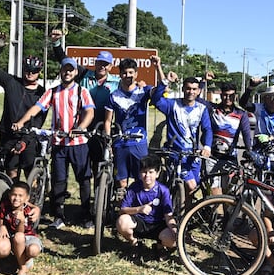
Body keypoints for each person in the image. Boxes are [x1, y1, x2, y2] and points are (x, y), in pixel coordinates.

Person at [13, 57, 94, 229]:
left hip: (78, 143)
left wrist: (80, 127)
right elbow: (37, 107)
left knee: (83, 179)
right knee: (59, 180)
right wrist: (22, 121)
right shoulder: (53, 91)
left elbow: (90, 113)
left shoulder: (82, 91)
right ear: (60, 71)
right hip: (59, 142)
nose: (67, 72)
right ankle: (59, 216)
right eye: (65, 69)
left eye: (71, 70)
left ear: (76, 72)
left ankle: (87, 214)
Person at [50, 29, 120, 179]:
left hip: (104, 126)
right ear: (95, 62)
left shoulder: (117, 82)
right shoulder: (84, 74)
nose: (102, 66)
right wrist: (56, 42)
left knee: (105, 162)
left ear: (111, 66)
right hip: (82, 126)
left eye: (106, 64)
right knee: (87, 164)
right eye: (100, 62)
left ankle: (105, 195)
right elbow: (63, 59)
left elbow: (129, 88)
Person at [0, 31, 46, 181]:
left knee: (29, 172)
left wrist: (26, 138)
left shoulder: (42, 92)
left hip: (29, 135)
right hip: (8, 133)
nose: (30, 73)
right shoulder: (12, 82)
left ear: (39, 72)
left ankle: (31, 200)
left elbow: (39, 119)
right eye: (27, 70)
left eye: (34, 71)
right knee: (10, 171)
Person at [151, 58, 213, 193]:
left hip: (194, 156)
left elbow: (207, 129)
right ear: (183, 89)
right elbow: (156, 100)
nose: (191, 92)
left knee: (192, 190)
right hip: (175, 155)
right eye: (188, 88)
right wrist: (166, 81)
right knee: (189, 186)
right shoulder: (172, 105)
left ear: (198, 91)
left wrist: (207, 147)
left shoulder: (202, 109)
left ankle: (187, 213)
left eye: (194, 89)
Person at [104, 56, 157, 194]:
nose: (128, 76)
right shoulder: (113, 96)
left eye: (131, 73)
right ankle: (122, 209)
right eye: (125, 73)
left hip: (139, 143)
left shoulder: (143, 91)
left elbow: (159, 92)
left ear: (136, 74)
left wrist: (159, 68)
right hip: (120, 143)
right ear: (120, 74)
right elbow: (108, 121)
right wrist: (108, 142)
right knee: (121, 182)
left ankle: (139, 209)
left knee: (142, 179)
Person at [198, 75, 252, 195]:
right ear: (221, 95)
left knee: (229, 195)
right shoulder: (212, 109)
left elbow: (247, 135)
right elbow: (196, 98)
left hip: (230, 160)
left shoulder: (241, 114)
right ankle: (213, 214)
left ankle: (227, 215)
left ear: (235, 96)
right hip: (212, 158)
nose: (228, 98)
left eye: (231, 96)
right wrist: (203, 81)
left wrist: (250, 151)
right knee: (214, 194)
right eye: (225, 95)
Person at [116, 155, 178, 252]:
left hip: (157, 225)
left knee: (173, 240)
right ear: (140, 173)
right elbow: (122, 210)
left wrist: (175, 231)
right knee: (122, 221)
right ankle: (133, 241)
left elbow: (168, 215)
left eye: (151, 172)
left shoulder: (163, 190)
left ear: (157, 174)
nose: (147, 175)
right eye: (144, 172)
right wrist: (139, 209)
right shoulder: (134, 187)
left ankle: (159, 245)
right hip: (139, 222)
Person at [240, 78, 274, 187]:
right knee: (255, 185)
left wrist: (271, 137)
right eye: (270, 97)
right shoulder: (259, 108)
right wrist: (250, 87)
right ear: (265, 98)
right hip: (259, 152)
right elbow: (243, 103)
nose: (273, 100)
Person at [0, 181, 43, 275]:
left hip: (27, 236)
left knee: (32, 249)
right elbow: (0, 222)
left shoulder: (28, 210)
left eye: (20, 196)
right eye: (14, 195)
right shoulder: (5, 206)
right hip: (12, 236)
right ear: (10, 195)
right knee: (15, 238)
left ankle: (23, 265)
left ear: (27, 198)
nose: (16, 198)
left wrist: (22, 220)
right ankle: (23, 263)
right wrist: (2, 227)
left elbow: (21, 232)